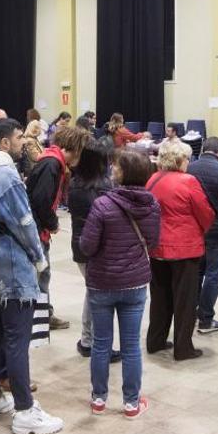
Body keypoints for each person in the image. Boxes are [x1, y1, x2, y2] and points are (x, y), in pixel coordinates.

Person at [0, 118, 63, 434]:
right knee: (17, 341)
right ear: (5, 143)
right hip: (12, 270)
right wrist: (39, 258)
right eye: (19, 136)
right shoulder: (5, 175)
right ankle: (24, 410)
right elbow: (24, 223)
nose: (24, 141)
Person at [80, 149, 160, 418]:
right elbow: (153, 242)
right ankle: (131, 403)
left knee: (101, 343)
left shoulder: (102, 205)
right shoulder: (151, 205)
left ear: (124, 173)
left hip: (102, 282)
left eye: (116, 167)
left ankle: (99, 399)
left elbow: (87, 246)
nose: (112, 170)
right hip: (135, 284)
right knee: (131, 345)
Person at [145, 138, 214, 360]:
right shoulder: (188, 181)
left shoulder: (153, 179)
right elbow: (206, 213)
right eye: (186, 158)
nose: (188, 161)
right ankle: (183, 348)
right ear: (179, 159)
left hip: (157, 248)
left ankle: (155, 341)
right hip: (184, 249)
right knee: (185, 301)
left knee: (160, 297)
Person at [26, 127, 91, 331]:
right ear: (76, 149)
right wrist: (52, 223)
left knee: (42, 274)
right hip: (36, 229)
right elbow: (41, 200)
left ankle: (43, 313)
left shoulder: (51, 160)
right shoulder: (52, 164)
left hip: (37, 227)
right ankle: (40, 317)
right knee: (41, 274)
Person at [69, 139, 119, 359]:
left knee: (93, 293)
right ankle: (95, 343)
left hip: (81, 245)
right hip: (97, 248)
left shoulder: (75, 182)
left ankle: (87, 340)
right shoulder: (101, 188)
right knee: (99, 297)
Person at [187, 137, 218, 333]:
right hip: (217, 230)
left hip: (194, 228)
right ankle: (205, 318)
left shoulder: (189, 168)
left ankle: (190, 313)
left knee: (196, 272)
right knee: (213, 274)